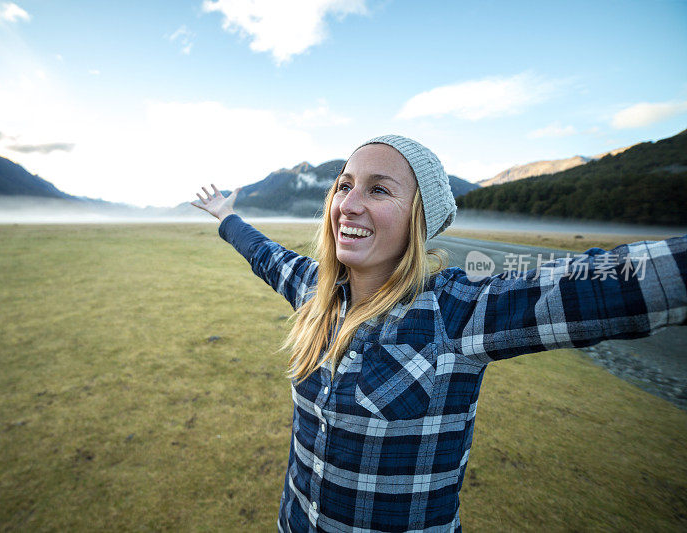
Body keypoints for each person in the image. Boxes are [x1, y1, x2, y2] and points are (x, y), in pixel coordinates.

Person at [191, 134, 687, 532]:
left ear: (419, 218)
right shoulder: (313, 289)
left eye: (379, 189)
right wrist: (226, 215)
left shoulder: (458, 312)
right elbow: (262, 252)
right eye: (344, 186)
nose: (349, 204)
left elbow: (618, 282)